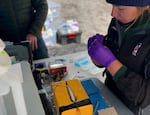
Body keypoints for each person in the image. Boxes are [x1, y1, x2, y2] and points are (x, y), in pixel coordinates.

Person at [87, 0, 150, 115]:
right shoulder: (118, 23)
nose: (113, 13)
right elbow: (111, 57)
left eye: (120, 8)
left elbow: (146, 95)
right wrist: (97, 57)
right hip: (110, 98)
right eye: (112, 6)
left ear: (144, 6)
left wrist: (111, 63)